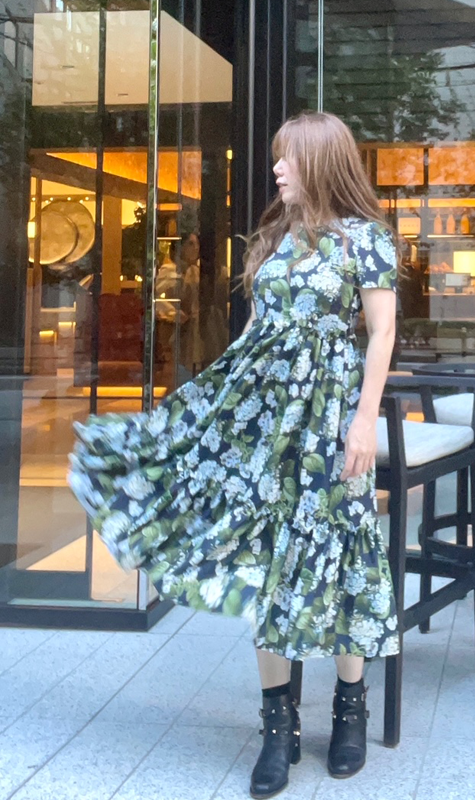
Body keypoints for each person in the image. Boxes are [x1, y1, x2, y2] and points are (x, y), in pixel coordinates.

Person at [68, 111, 398, 799]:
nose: (276, 169)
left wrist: (364, 422)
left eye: (287, 157)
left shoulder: (366, 238)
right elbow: (257, 333)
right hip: (264, 419)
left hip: (329, 419)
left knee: (342, 548)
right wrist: (213, 407)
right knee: (268, 558)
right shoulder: (278, 238)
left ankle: (350, 709)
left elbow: (381, 334)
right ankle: (278, 726)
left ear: (320, 161)